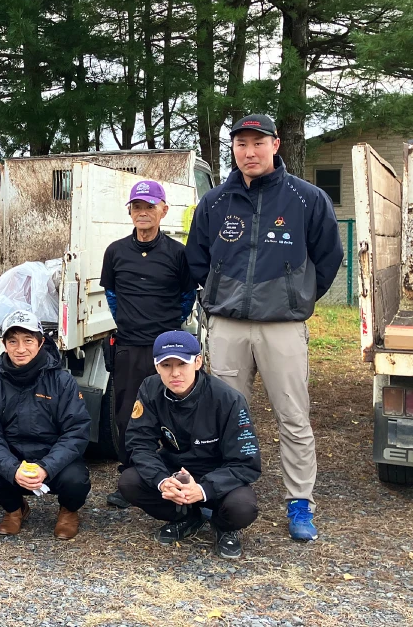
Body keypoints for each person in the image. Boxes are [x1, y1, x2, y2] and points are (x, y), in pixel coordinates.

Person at [185, 114, 343, 541]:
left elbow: (328, 258)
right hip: (228, 325)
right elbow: (197, 258)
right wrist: (217, 296)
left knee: (293, 416)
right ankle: (226, 494)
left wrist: (296, 296)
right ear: (232, 150)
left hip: (282, 327)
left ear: (276, 145)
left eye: (257, 143)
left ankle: (300, 503)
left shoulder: (307, 198)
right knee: (223, 417)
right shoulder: (215, 202)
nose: (249, 152)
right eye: (240, 144)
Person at [119, 331, 261, 559]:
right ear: (156, 367)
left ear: (198, 362)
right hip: (176, 472)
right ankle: (186, 518)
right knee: (129, 482)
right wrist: (163, 481)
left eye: (182, 364)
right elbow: (139, 443)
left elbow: (246, 464)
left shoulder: (229, 399)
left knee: (242, 508)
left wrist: (204, 489)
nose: (174, 373)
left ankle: (223, 526)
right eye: (166, 365)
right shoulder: (150, 389)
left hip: (219, 475)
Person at [100, 180, 196, 509]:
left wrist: (165, 329)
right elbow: (112, 297)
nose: (143, 212)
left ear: (163, 211)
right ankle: (132, 476)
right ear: (130, 211)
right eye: (137, 206)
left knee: (175, 412)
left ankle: (180, 475)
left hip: (169, 349)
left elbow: (187, 299)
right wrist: (131, 323)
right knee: (127, 415)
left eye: (150, 206)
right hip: (129, 346)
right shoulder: (115, 252)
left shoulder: (177, 253)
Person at [0, 310, 92, 539]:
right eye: (13, 341)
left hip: (53, 461)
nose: (20, 348)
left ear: (41, 343)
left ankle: (68, 512)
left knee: (76, 480)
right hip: (15, 460)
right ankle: (15, 509)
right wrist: (12, 468)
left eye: (28, 340)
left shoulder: (62, 381)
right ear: (4, 344)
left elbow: (76, 431)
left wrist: (46, 467)